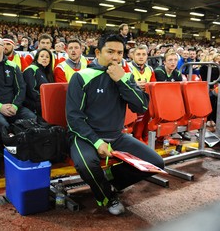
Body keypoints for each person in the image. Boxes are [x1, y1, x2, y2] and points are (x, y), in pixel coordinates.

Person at [66, 34, 164, 215]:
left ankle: (109, 178)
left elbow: (141, 107)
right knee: (87, 164)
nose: (116, 57)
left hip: (116, 136)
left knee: (155, 162)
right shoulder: (82, 77)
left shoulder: (125, 77)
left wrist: (122, 81)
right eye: (110, 52)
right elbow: (74, 118)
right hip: (85, 137)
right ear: (97, 52)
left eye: (120, 53)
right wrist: (97, 142)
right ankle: (107, 196)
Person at [128, 44, 156, 143]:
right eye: (138, 54)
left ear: (147, 56)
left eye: (143, 54)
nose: (141, 57)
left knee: (150, 109)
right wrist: (135, 85)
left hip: (145, 97)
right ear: (133, 56)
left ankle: (144, 136)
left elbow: (154, 84)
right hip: (131, 99)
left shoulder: (150, 69)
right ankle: (137, 137)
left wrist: (148, 86)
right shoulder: (128, 67)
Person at [23, 48, 55, 115]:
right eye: (42, 56)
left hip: (44, 103)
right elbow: (31, 91)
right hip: (33, 105)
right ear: (37, 58)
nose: (44, 58)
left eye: (47, 57)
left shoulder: (47, 73)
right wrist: (46, 100)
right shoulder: (31, 69)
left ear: (50, 60)